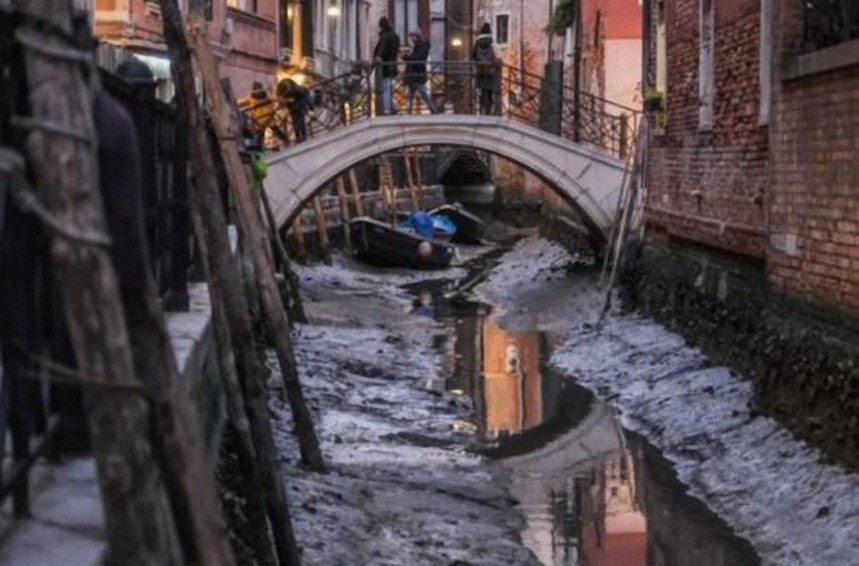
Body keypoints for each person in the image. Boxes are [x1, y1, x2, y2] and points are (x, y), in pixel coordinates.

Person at [403, 29, 438, 115]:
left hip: (417, 74)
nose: (411, 38)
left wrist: (408, 58)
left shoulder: (421, 46)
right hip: (414, 74)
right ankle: (409, 111)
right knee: (411, 94)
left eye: (413, 36)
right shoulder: (417, 46)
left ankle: (432, 109)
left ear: (417, 36)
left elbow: (418, 58)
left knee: (422, 93)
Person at [373, 16, 400, 115]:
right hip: (392, 65)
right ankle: (392, 107)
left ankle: (388, 108)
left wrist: (377, 59)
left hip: (384, 67)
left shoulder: (385, 36)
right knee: (388, 87)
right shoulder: (395, 36)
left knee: (385, 88)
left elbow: (381, 50)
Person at [472, 23, 501, 116]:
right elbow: (496, 58)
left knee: (481, 92)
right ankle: (488, 112)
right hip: (490, 72)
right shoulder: (491, 43)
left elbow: (473, 56)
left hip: (480, 71)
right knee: (489, 93)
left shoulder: (477, 44)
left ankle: (481, 110)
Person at [277, 78, 314, 143]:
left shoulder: (298, 90)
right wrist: (287, 101)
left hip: (300, 105)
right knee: (295, 121)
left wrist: (308, 108)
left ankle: (303, 136)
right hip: (292, 106)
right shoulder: (283, 88)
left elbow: (304, 98)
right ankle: (298, 137)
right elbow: (282, 99)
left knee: (300, 120)